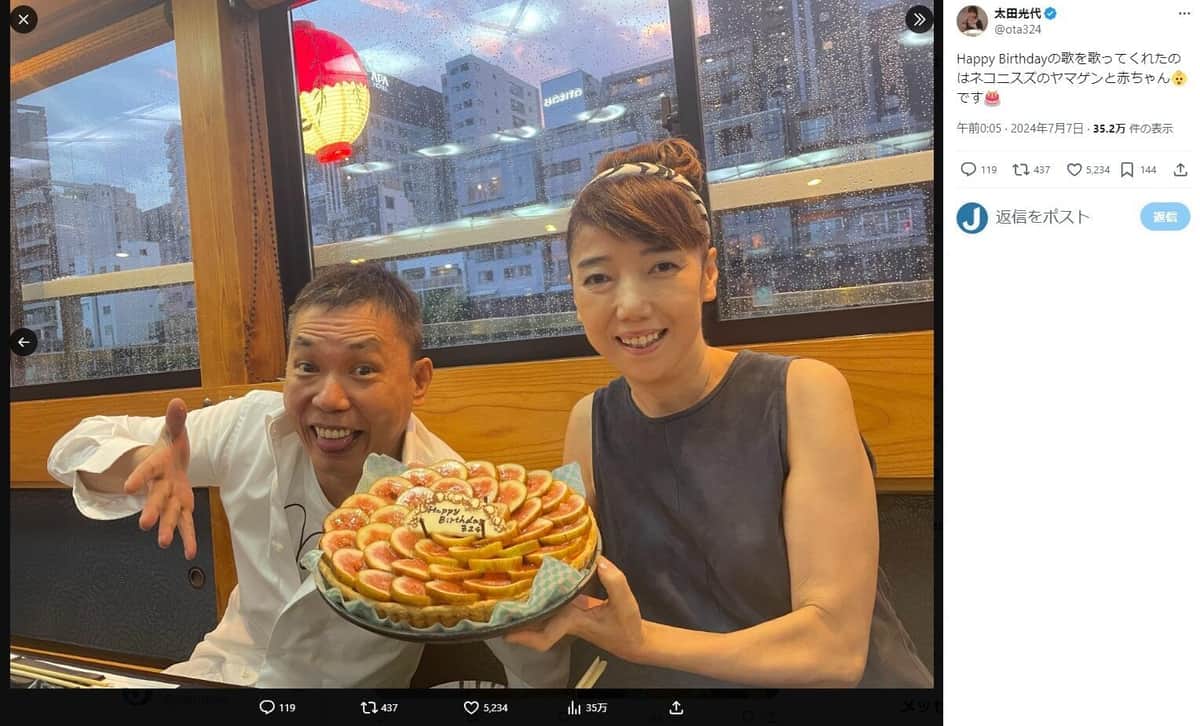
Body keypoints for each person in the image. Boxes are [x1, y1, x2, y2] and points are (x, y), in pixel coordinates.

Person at [504, 139, 933, 687]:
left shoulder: (803, 392)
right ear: (574, 291)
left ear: (708, 273)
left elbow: (834, 649)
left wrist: (640, 642)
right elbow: (575, 581)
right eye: (598, 278)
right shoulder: (589, 422)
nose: (630, 306)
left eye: (661, 266)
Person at [47, 263, 568, 688]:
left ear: (418, 380)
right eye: (307, 367)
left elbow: (533, 663)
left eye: (362, 370)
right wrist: (143, 459)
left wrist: (535, 596)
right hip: (217, 676)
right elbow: (73, 448)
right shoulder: (249, 424)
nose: (329, 398)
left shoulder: (446, 496)